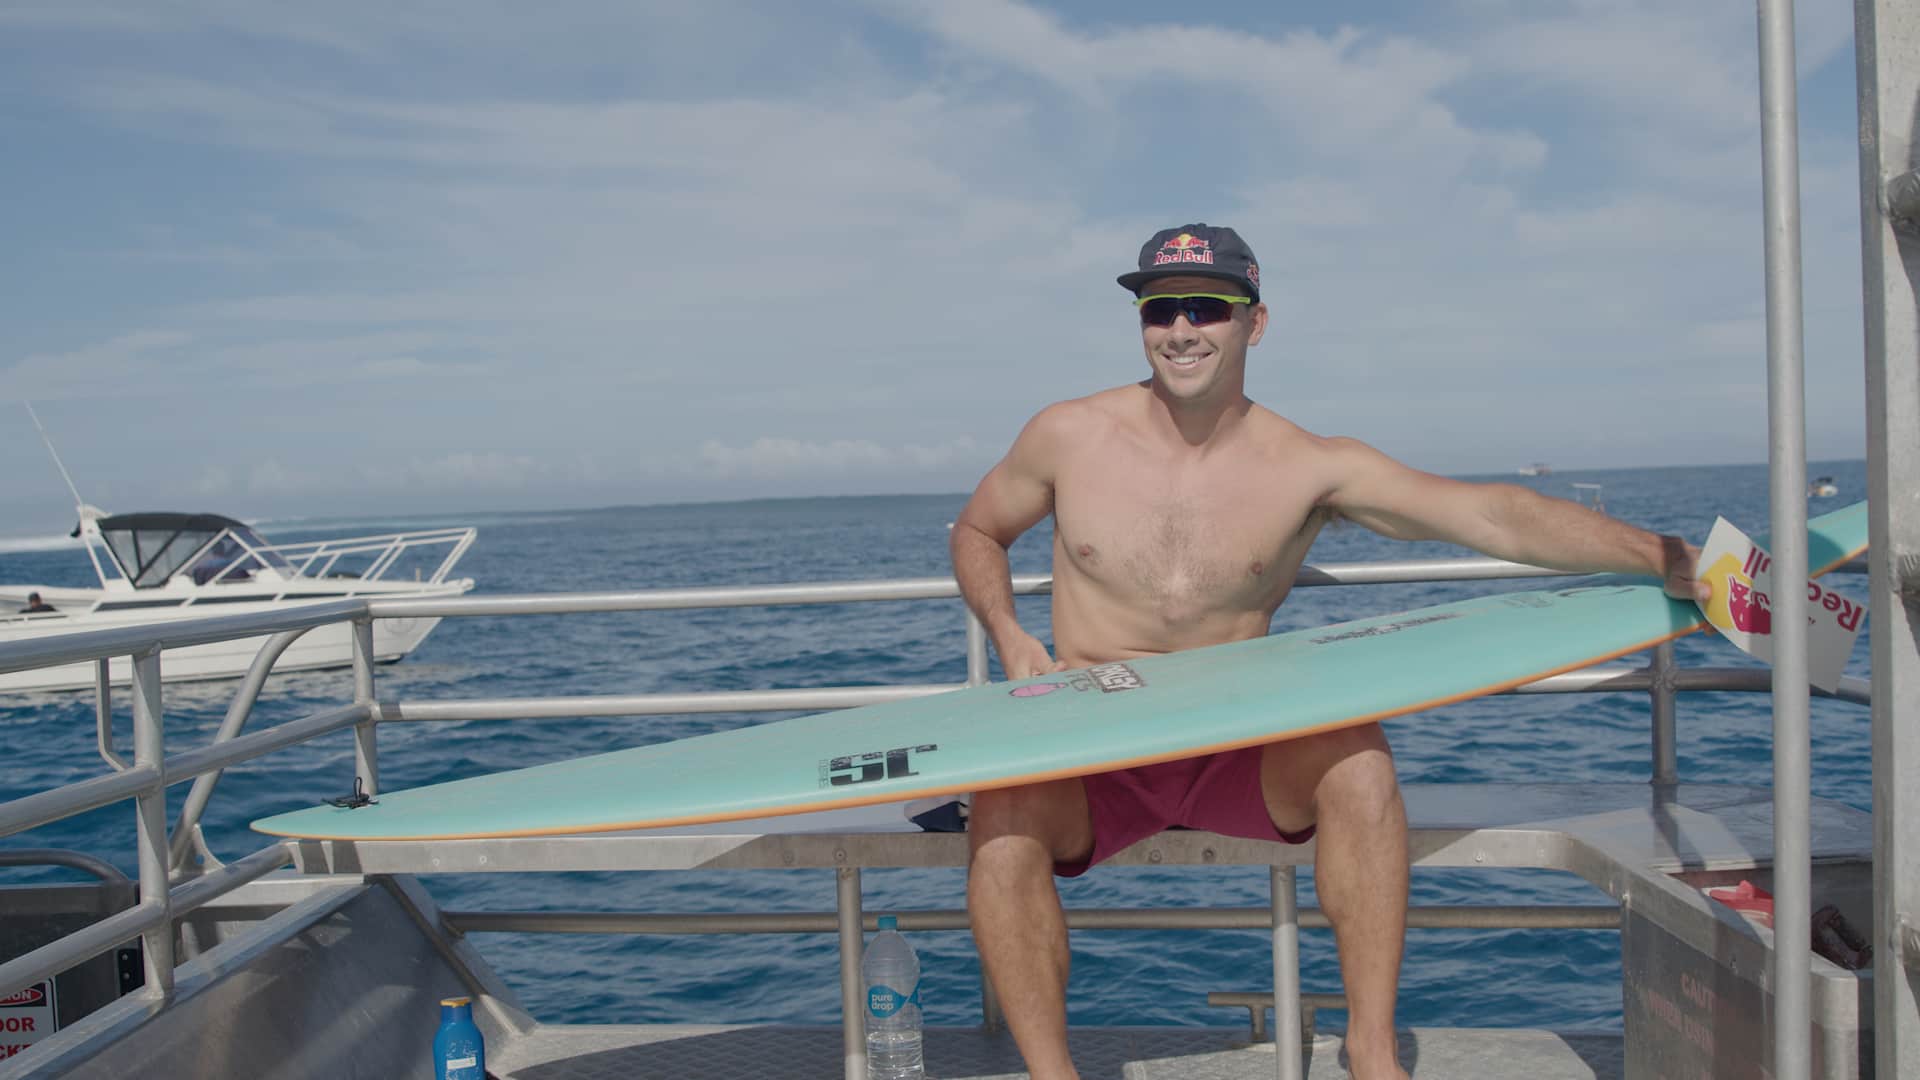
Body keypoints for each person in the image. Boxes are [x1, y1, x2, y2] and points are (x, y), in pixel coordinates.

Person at [947, 223, 1709, 1080]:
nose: (1182, 329)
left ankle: (1371, 1050)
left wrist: (1660, 556)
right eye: (1160, 309)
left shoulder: (1308, 465)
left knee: (1360, 764)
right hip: (1096, 743)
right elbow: (979, 529)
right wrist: (1011, 636)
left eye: (1207, 308)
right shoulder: (1068, 434)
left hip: (1236, 740)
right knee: (1000, 814)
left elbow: (1488, 514)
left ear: (1255, 323)